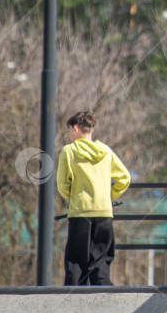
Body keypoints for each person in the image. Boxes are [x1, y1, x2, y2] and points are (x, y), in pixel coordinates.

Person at [56, 110, 130, 285]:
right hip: (104, 212)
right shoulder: (105, 151)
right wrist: (107, 196)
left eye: (69, 131)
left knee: (76, 262)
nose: (69, 135)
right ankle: (103, 302)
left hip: (80, 212)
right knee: (101, 263)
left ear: (75, 128)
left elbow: (62, 184)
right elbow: (124, 177)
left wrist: (74, 198)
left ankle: (74, 305)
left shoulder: (69, 151)